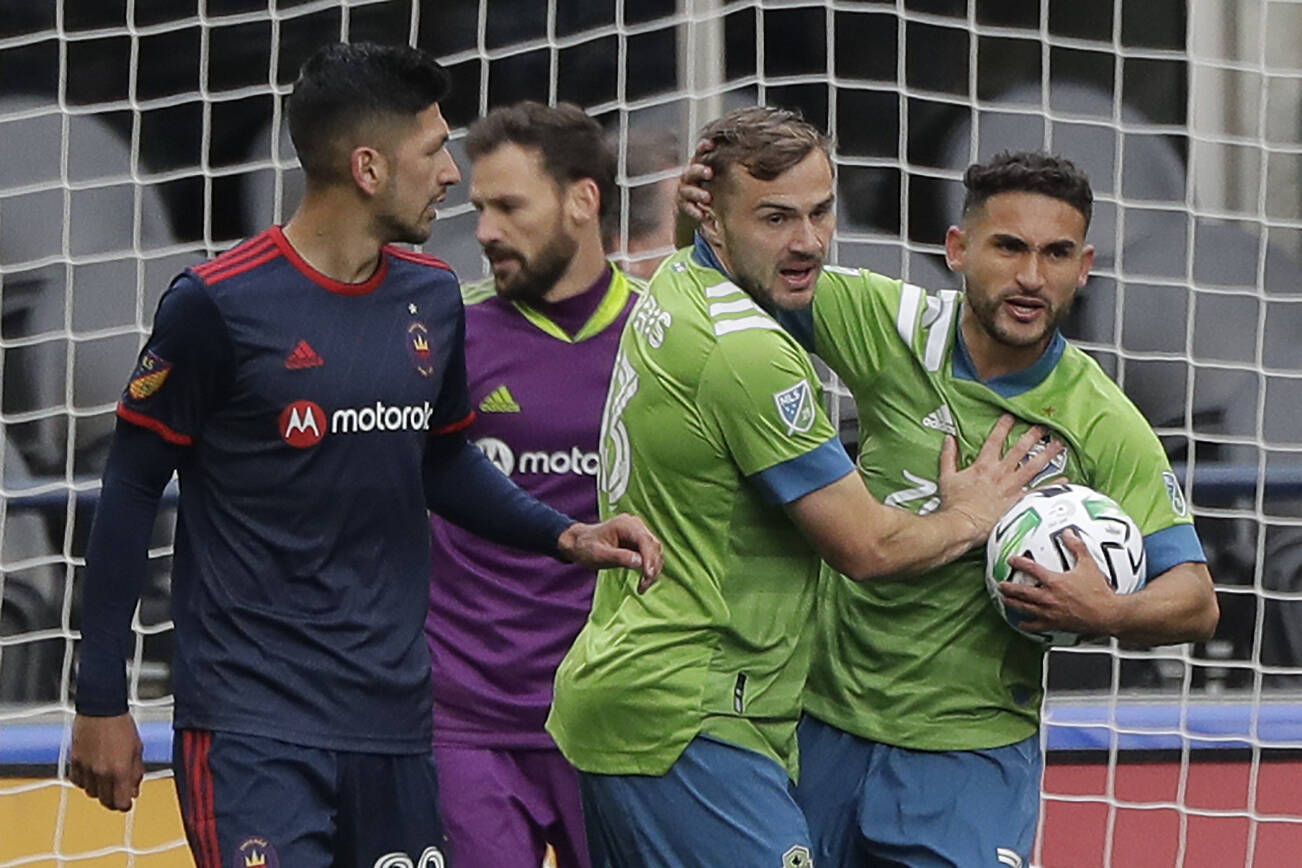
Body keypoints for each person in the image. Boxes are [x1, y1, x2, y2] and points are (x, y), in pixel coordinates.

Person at [67, 43, 661, 868]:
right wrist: (101, 698)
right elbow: (130, 486)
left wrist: (563, 537)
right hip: (254, 727)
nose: (451, 175)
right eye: (433, 151)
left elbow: (445, 462)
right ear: (369, 167)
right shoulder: (218, 305)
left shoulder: (430, 300)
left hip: (394, 722)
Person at [545, 107, 1061, 868]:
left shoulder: (675, 281)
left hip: (642, 699)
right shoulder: (750, 354)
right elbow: (870, 547)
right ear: (713, 217)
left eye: (821, 212)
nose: (809, 242)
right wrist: (972, 513)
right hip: (695, 716)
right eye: (777, 217)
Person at [681, 148, 1219, 866]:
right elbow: (736, 286)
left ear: (1084, 267)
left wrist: (1109, 612)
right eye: (1009, 248)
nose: (1032, 277)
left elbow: (1196, 599)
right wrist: (711, 224)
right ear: (959, 250)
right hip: (818, 727)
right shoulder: (887, 325)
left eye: (1057, 254)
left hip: (971, 757)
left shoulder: (1101, 419)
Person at [425, 101, 639, 868]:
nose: (484, 230)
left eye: (509, 206)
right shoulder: (449, 337)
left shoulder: (664, 343)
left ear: (583, 200)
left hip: (612, 717)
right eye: (480, 207)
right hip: (467, 720)